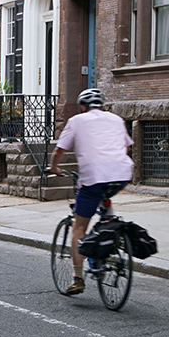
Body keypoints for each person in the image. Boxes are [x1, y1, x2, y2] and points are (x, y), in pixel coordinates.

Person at [48, 88, 134, 295]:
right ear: (102, 106)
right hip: (122, 174)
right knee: (105, 201)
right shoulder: (116, 119)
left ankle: (77, 278)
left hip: (94, 177)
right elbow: (127, 148)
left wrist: (53, 167)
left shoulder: (77, 121)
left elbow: (60, 150)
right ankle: (109, 229)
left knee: (79, 227)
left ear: (83, 106)